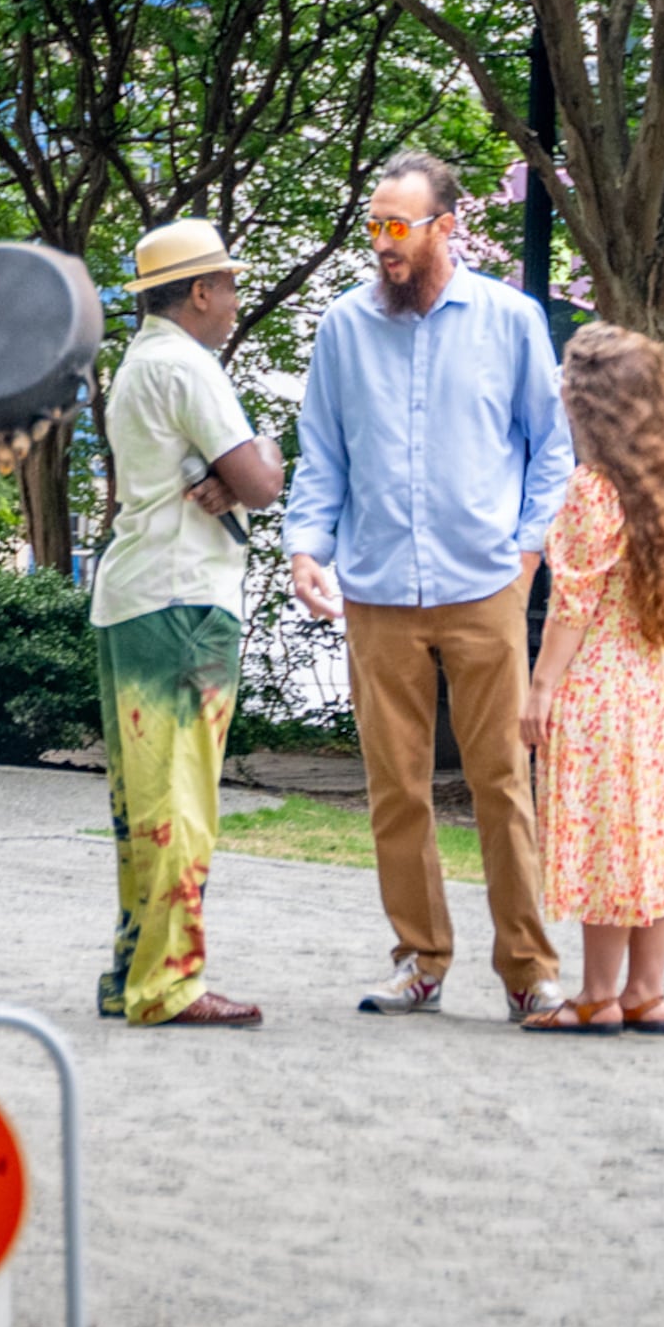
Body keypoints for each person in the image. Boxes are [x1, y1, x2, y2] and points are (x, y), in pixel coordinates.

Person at [289, 150, 575, 1022]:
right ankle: (419, 959)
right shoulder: (343, 328)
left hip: (484, 584)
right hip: (377, 591)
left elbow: (552, 448)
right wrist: (307, 548)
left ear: (446, 227)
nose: (382, 243)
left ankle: (528, 970)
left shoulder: (511, 319)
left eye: (397, 226)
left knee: (502, 783)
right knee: (395, 788)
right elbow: (322, 454)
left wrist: (528, 555)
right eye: (373, 226)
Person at [89, 219, 282, 1028]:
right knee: (181, 799)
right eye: (228, 286)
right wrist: (265, 449)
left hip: (134, 597)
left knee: (140, 803)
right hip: (186, 604)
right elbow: (260, 483)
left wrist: (234, 474)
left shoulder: (137, 365)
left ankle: (131, 971)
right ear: (200, 291)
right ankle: (167, 985)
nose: (235, 301)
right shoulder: (189, 366)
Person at [519, 326, 664, 1035]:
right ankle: (645, 993)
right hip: (648, 682)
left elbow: (572, 606)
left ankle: (596, 995)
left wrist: (541, 687)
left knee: (605, 839)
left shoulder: (592, 490)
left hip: (596, 686)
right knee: (650, 835)